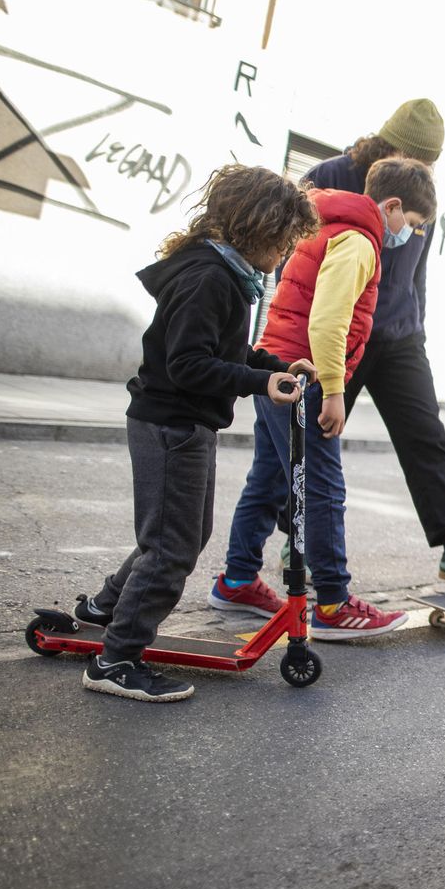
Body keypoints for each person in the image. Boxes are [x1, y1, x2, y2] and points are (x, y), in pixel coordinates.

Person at [77, 166, 318, 701]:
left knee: (177, 537)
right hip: (173, 425)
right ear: (257, 228)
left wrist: (276, 366)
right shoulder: (209, 278)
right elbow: (188, 364)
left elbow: (223, 351)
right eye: (283, 239)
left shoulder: (224, 273)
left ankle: (103, 608)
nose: (285, 252)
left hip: (183, 423)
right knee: (170, 548)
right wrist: (259, 382)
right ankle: (115, 659)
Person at [211, 158, 435, 639]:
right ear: (392, 206)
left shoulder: (329, 225)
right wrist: (334, 390)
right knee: (324, 487)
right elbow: (329, 320)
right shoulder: (359, 242)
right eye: (413, 224)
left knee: (269, 478)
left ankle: (238, 580)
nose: (410, 235)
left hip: (276, 363)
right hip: (303, 375)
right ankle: (333, 602)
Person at [302, 101, 445, 599]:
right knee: (312, 437)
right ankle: (298, 541)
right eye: (416, 159)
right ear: (388, 145)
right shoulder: (330, 176)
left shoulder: (418, 194)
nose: (423, 170)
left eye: (429, 164)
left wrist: (419, 327)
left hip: (399, 336)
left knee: (426, 436)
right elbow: (296, 252)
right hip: (340, 335)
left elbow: (418, 273)